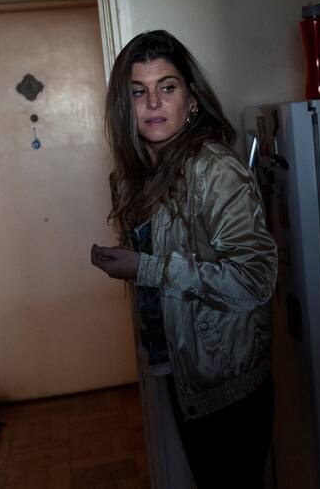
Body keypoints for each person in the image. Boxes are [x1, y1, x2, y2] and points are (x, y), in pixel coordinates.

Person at [89, 29, 277, 488]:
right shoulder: (136, 176)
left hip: (229, 387)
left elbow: (255, 279)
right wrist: (131, 263)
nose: (153, 103)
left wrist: (145, 267)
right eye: (139, 92)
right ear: (125, 105)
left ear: (191, 100)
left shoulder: (217, 170)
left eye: (167, 87)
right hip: (183, 371)